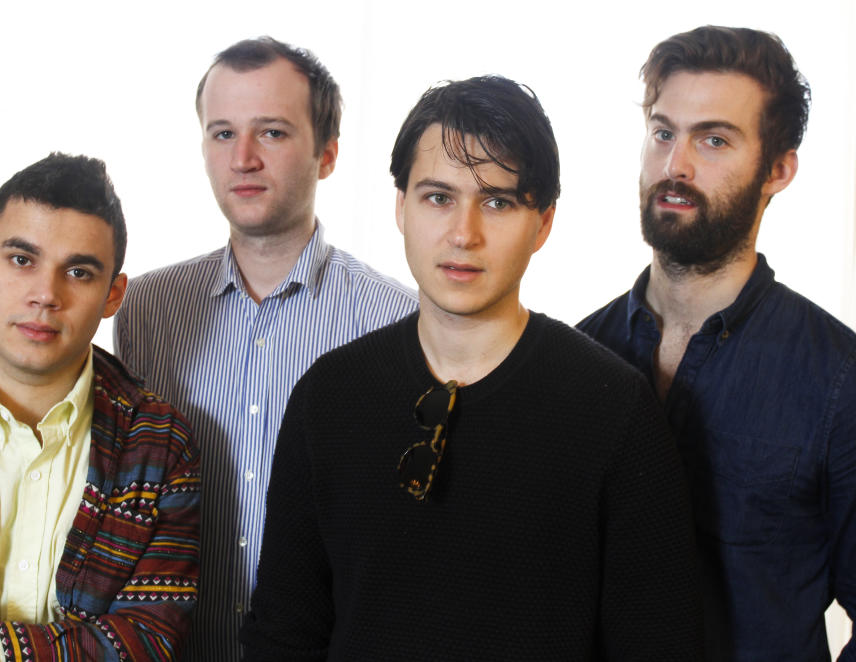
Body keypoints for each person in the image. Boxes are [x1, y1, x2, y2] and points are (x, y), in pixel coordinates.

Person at [240, 75, 702, 660]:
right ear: (401, 208)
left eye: (497, 201)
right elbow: (283, 634)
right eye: (438, 197)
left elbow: (657, 645)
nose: (464, 234)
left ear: (544, 223)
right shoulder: (328, 398)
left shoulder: (612, 409)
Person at [113, 37, 416, 661]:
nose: (243, 158)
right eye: (222, 134)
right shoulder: (143, 308)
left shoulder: (398, 317)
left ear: (327, 153)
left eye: (271, 133)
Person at [578, 25, 856, 661]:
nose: (676, 165)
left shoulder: (839, 381)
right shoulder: (575, 357)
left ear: (778, 168)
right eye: (663, 131)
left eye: (714, 139)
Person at [0, 153, 200, 661]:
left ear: (113, 294)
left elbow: (144, 644)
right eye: (21, 259)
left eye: (78, 272)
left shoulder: (160, 444)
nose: (45, 294)